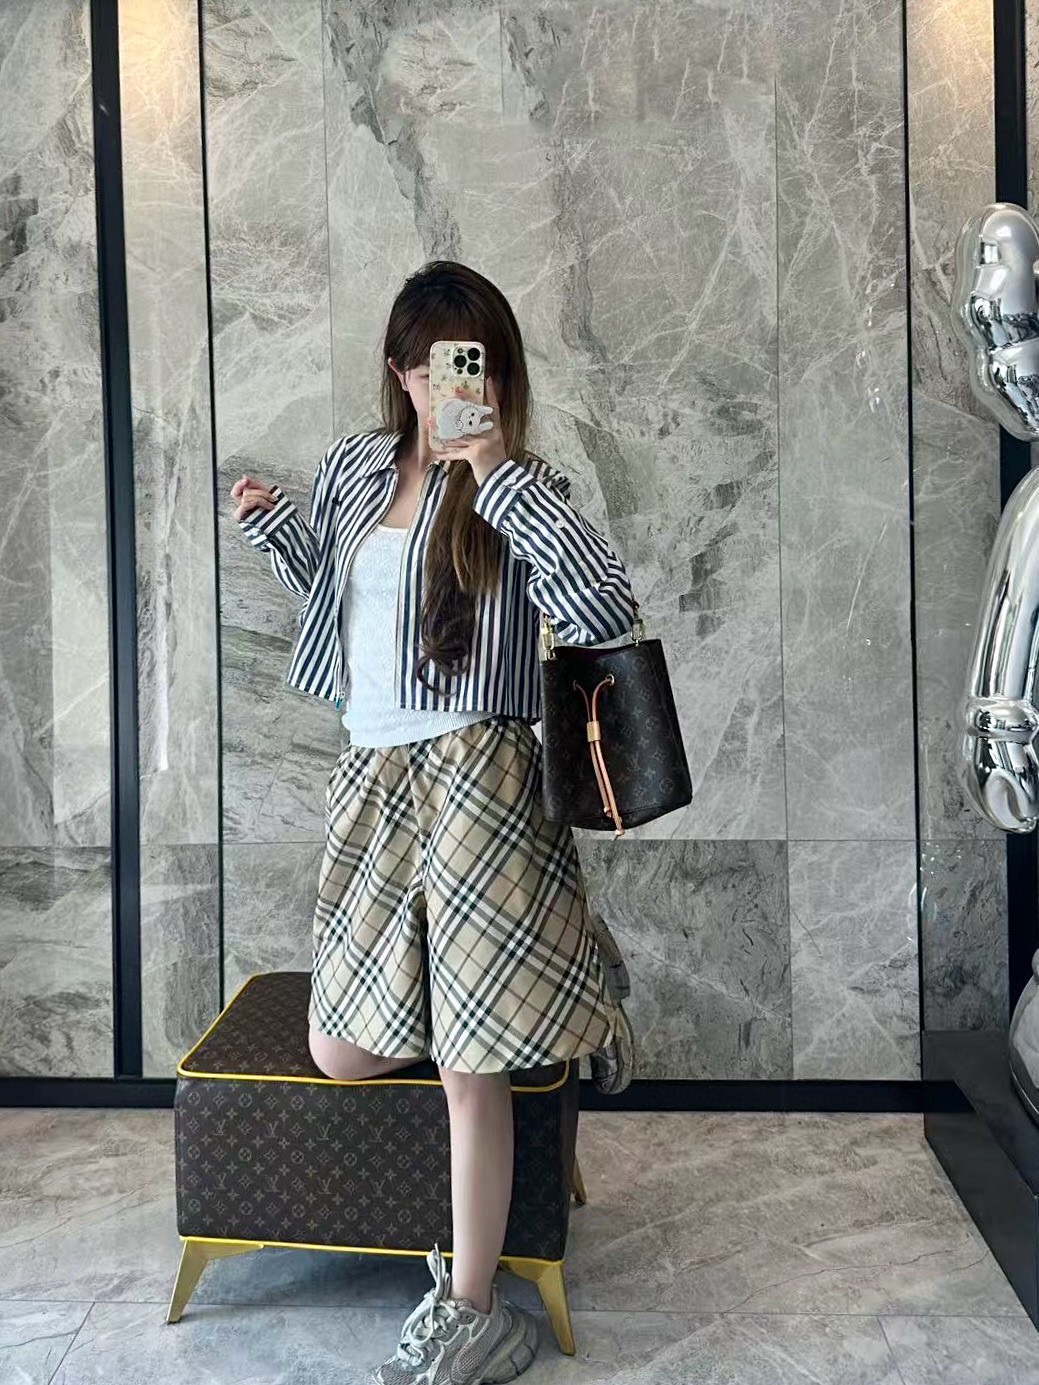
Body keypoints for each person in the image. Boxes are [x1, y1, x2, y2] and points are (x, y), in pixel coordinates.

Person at [230, 259, 636, 1385]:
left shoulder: (522, 487)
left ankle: (471, 1307)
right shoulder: (355, 468)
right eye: (432, 364)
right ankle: (564, 964)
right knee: (341, 1048)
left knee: (470, 1063)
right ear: (400, 371)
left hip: (480, 784)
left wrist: (493, 474)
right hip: (374, 779)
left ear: (499, 374)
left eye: (476, 362)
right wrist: (280, 533)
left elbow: (603, 609)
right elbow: (347, 602)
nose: (453, 382)